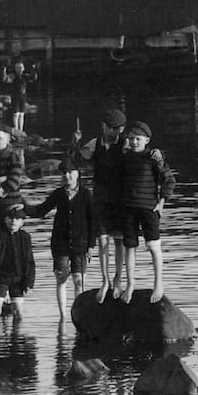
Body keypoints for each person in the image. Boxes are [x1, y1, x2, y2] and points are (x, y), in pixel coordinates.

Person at [28, 159, 95, 318]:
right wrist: (22, 206)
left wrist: (91, 245)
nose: (67, 176)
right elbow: (40, 211)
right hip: (60, 244)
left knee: (79, 280)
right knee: (61, 278)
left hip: (81, 244)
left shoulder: (86, 194)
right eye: (64, 173)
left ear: (78, 174)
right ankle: (63, 317)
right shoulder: (58, 194)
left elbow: (94, 221)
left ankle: (80, 314)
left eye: (70, 172)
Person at [119, 121, 173, 303]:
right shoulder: (125, 156)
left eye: (138, 139)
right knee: (129, 246)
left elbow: (169, 180)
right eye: (131, 138)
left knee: (153, 246)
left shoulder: (153, 157)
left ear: (147, 140)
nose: (134, 142)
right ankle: (130, 284)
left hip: (149, 207)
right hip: (128, 208)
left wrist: (162, 202)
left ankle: (159, 283)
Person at [79, 108, 127, 301]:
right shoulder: (94, 144)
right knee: (102, 240)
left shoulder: (125, 145)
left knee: (119, 241)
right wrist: (76, 143)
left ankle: (118, 279)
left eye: (117, 129)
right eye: (110, 128)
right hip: (100, 197)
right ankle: (105, 280)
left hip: (120, 198)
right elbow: (77, 160)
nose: (114, 132)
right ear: (103, 126)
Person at [0, 201, 36, 321]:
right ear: (5, 219)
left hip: (19, 278)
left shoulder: (25, 237)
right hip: (1, 278)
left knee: (18, 312)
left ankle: (17, 337)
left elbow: (30, 262)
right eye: (10, 218)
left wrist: (29, 283)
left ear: (22, 222)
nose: (13, 221)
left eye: (17, 219)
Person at [1, 60, 37, 136]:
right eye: (17, 68)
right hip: (15, 96)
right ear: (15, 69)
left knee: (21, 114)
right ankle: (16, 129)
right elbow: (5, 79)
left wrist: (34, 69)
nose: (19, 69)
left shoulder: (25, 76)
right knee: (16, 114)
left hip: (23, 96)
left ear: (23, 68)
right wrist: (4, 70)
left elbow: (33, 78)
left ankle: (21, 130)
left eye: (20, 67)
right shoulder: (13, 76)